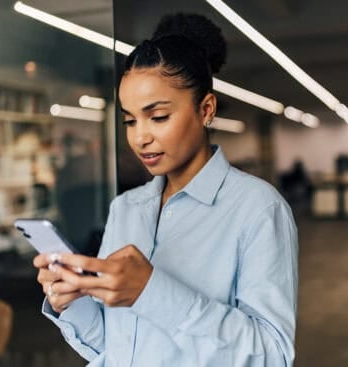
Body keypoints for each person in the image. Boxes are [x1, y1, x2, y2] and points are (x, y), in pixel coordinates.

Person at [33, 13, 298, 367]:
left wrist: (152, 292)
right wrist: (72, 300)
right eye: (129, 120)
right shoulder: (126, 208)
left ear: (206, 109)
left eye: (157, 117)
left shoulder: (258, 209)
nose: (140, 137)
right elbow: (115, 347)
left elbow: (273, 355)